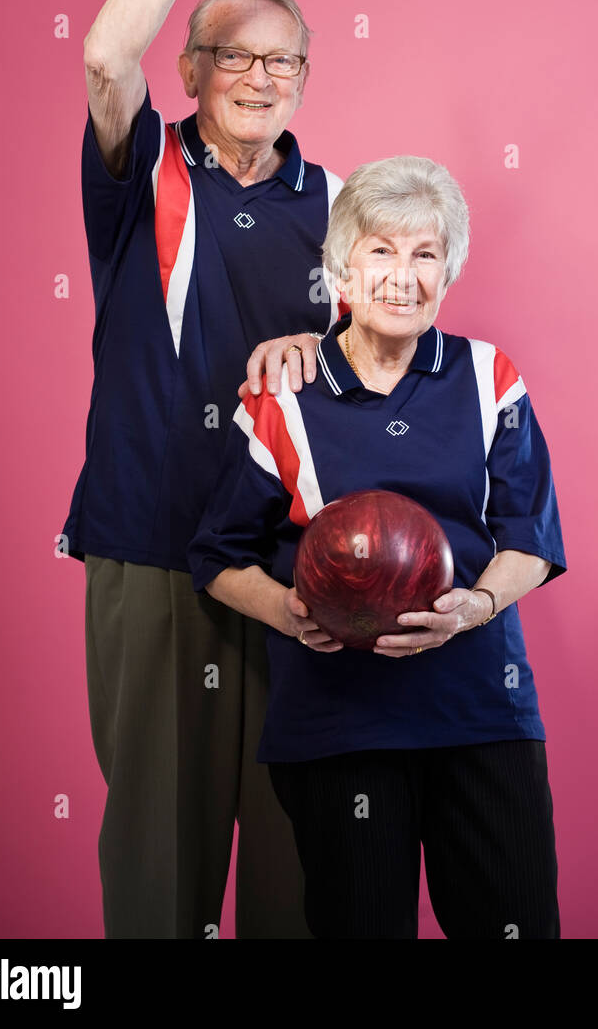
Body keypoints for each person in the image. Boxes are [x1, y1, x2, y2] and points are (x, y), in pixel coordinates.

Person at [60, 0, 342, 938]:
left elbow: (376, 365)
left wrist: (312, 357)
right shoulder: (144, 171)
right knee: (161, 867)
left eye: (285, 60)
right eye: (236, 54)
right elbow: (100, 57)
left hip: (287, 564)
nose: (262, 77)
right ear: (193, 71)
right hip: (151, 547)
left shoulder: (337, 197)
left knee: (297, 862)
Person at [188, 155, 568, 939]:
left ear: (448, 270)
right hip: (339, 727)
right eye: (381, 252)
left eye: (425, 253)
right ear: (342, 270)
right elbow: (219, 554)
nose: (403, 276)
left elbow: (530, 536)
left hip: (479, 713)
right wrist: (290, 614)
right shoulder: (282, 396)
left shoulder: (488, 375)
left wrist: (476, 607)